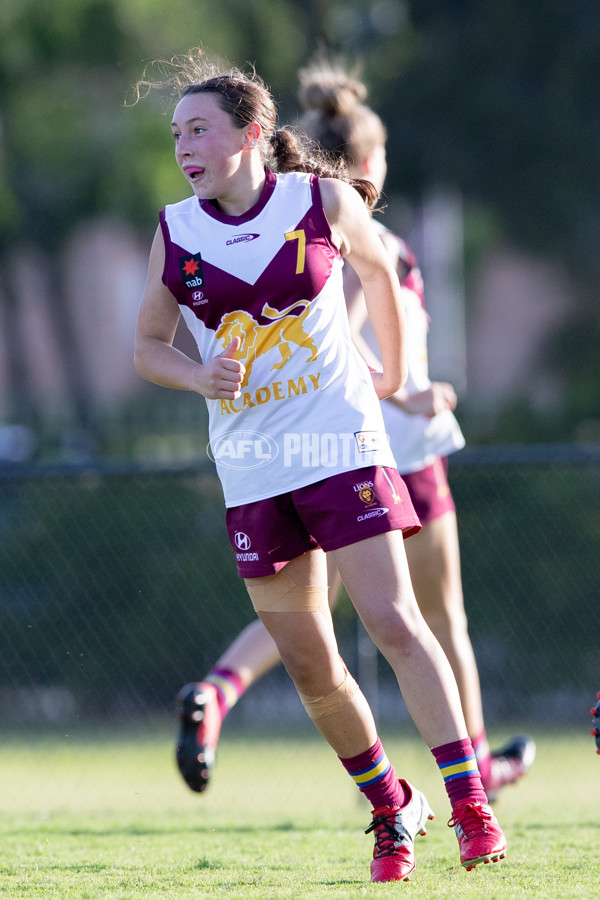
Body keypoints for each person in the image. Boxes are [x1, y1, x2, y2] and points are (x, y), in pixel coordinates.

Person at [134, 49, 507, 883]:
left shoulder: (320, 200)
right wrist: (196, 373)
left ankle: (471, 806)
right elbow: (146, 347)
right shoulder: (175, 230)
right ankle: (391, 808)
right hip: (255, 464)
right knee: (308, 661)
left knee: (396, 622)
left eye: (199, 129)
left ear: (253, 135)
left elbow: (382, 273)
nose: (183, 146)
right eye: (175, 134)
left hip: (341, 445)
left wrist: (394, 378)